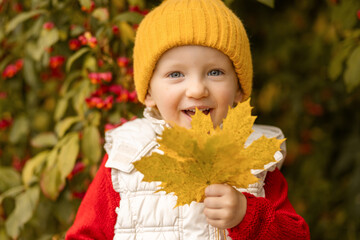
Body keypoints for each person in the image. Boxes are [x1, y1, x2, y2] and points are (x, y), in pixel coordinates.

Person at [66, 0, 310, 239]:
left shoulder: (256, 161)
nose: (196, 89)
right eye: (175, 74)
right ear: (149, 92)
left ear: (238, 89)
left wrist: (247, 215)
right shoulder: (128, 158)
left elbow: (297, 236)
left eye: (215, 72)